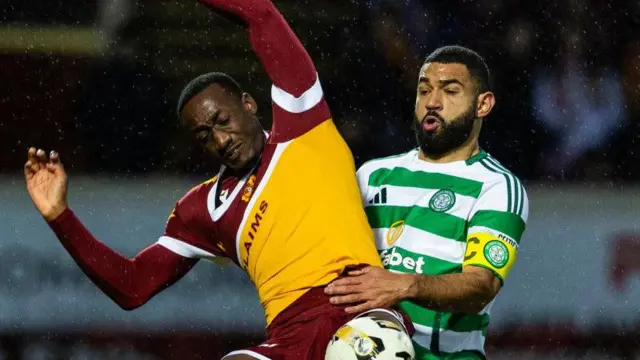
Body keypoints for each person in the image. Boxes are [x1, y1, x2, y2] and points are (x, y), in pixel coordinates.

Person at [24, 0, 414, 359]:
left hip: (360, 308)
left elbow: (260, 14)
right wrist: (60, 216)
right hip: (290, 333)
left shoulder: (303, 124)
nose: (221, 139)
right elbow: (132, 286)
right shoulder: (202, 209)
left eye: (223, 121)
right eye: (204, 135)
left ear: (248, 103)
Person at [325, 45, 529, 359]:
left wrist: (406, 285)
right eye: (424, 90)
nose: (432, 102)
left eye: (450, 91)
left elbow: (481, 285)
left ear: (483, 104)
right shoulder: (372, 175)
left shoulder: (497, 186)